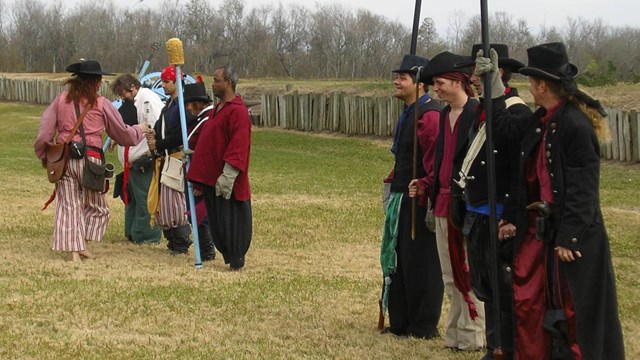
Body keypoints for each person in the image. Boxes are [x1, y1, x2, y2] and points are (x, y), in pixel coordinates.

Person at [476, 42, 625, 359]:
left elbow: (584, 187)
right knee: (535, 306)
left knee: (573, 315)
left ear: (542, 85)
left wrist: (570, 236)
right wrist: (493, 88)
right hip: (542, 235)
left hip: (574, 243)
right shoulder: (542, 119)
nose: (529, 87)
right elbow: (506, 134)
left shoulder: (575, 125)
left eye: (531, 82)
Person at [455, 44, 532, 360]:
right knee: (486, 287)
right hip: (477, 211)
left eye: (478, 72)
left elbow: (520, 171)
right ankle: (493, 346)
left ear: (497, 73)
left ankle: (504, 349)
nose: (472, 78)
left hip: (498, 215)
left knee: (503, 289)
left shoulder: (516, 112)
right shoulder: (481, 109)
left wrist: (512, 215)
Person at [34, 60, 146, 261]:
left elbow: (45, 132)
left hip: (65, 159)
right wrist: (140, 130)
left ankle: (76, 247)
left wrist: (45, 154)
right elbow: (122, 133)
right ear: (96, 82)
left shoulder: (61, 100)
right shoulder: (102, 104)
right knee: (98, 207)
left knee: (69, 205)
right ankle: (79, 246)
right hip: (92, 161)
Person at [421, 51, 485, 352]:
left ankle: (472, 335)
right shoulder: (445, 115)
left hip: (467, 206)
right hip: (444, 204)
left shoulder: (477, 113)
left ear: (458, 81)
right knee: (450, 276)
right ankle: (455, 335)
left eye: (440, 82)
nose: (436, 88)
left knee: (468, 273)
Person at [380, 54, 443, 339]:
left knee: (422, 263)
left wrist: (426, 194)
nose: (396, 81)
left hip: (419, 201)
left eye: (402, 77)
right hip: (402, 198)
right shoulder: (409, 113)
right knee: (400, 258)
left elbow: (434, 164)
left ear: (419, 84)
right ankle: (401, 321)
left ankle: (422, 325)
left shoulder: (429, 117)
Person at [186, 66, 252, 270]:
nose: (212, 84)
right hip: (211, 179)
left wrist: (228, 176)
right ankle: (228, 256)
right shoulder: (217, 110)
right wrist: (197, 159)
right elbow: (213, 143)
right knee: (217, 221)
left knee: (231, 221)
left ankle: (236, 259)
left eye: (216, 80)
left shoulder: (237, 112)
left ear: (228, 82)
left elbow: (238, 146)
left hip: (227, 180)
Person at [110, 73, 164, 244]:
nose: (121, 97)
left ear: (132, 87)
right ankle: (133, 232)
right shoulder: (131, 103)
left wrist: (151, 154)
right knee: (132, 200)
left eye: (123, 93)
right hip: (131, 163)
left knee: (145, 200)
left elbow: (156, 127)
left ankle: (147, 235)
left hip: (144, 161)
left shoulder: (149, 100)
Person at [146, 66, 192, 255]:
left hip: (175, 158)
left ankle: (181, 242)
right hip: (165, 158)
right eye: (163, 81)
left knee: (176, 205)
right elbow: (162, 127)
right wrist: (154, 133)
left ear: (176, 82)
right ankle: (172, 241)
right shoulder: (169, 106)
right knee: (165, 205)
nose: (163, 85)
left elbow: (179, 136)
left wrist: (158, 144)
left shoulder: (183, 107)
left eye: (167, 82)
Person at [183, 81, 216, 261]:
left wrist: (199, 182)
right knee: (194, 213)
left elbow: (205, 153)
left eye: (189, 103)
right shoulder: (199, 119)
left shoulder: (207, 120)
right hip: (192, 171)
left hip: (199, 175)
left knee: (200, 214)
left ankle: (207, 251)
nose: (187, 107)